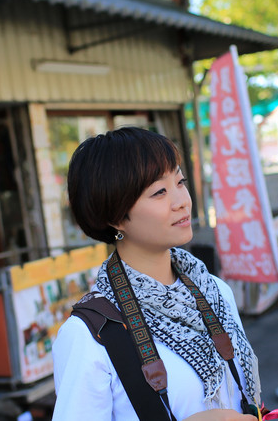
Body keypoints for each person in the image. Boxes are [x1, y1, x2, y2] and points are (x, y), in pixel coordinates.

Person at [52, 127, 264, 421]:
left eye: (180, 181)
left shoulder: (212, 289)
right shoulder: (92, 333)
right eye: (159, 192)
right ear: (115, 216)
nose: (181, 201)